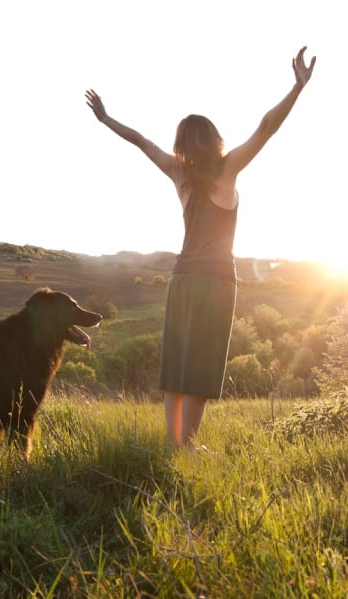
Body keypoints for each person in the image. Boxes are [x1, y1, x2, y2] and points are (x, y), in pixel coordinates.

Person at [85, 46, 316, 448]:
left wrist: (105, 119)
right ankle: (187, 445)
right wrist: (296, 89)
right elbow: (265, 128)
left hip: (181, 280)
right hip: (216, 282)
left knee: (177, 363)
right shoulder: (228, 170)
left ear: (183, 146)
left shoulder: (180, 175)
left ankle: (175, 442)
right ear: (214, 140)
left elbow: (140, 140)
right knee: (202, 366)